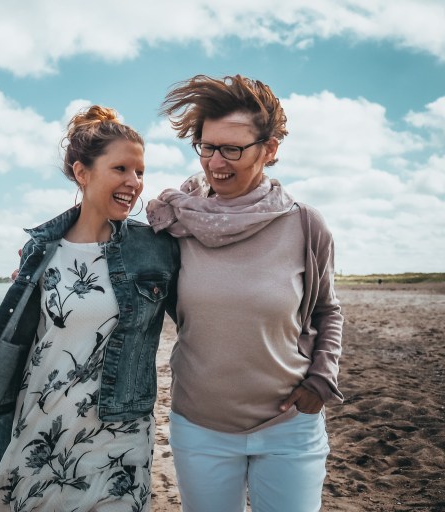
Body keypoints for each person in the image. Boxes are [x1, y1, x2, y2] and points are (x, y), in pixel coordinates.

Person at [0, 105, 180, 511]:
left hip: (121, 428)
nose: (134, 183)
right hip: (42, 418)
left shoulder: (157, 248)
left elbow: (201, 317)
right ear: (82, 173)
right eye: (121, 169)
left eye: (140, 172)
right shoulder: (39, 250)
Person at [146, 74, 343, 512]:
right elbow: (112, 259)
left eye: (232, 149)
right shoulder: (176, 224)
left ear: (269, 149)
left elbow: (327, 310)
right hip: (199, 425)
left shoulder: (305, 224)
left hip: (290, 425)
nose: (217, 162)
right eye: (207, 146)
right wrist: (43, 259)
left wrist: (322, 378)